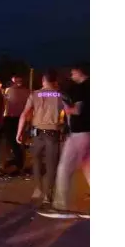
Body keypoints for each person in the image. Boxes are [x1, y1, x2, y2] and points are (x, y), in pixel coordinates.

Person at [40, 65, 90, 219]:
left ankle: (61, 206)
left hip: (79, 133)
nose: (72, 75)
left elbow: (77, 110)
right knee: (89, 170)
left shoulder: (82, 88)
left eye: (73, 73)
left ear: (80, 72)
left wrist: (67, 108)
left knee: (64, 168)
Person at [17, 71, 66, 206]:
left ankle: (38, 188)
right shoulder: (60, 95)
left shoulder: (35, 94)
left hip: (37, 134)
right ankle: (48, 195)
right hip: (53, 133)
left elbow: (24, 114)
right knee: (51, 165)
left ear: (43, 81)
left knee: (37, 161)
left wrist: (19, 132)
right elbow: (68, 114)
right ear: (54, 82)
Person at [4, 75, 31, 173]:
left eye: (19, 80)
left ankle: (18, 162)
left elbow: (5, 104)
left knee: (15, 141)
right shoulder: (26, 91)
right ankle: (18, 161)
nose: (18, 82)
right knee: (17, 141)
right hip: (15, 118)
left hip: (15, 118)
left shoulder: (10, 91)